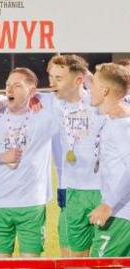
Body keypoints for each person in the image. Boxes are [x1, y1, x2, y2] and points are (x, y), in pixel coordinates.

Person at [0, 68, 56, 258]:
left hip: (32, 204)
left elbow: (62, 96)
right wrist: (1, 157)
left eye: (17, 86)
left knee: (31, 263)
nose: (9, 90)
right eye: (7, 85)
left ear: (32, 91)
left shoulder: (43, 118)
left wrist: (4, 100)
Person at [44, 55, 106, 257]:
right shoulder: (53, 104)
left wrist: (86, 75)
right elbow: (15, 96)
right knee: (74, 257)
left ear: (79, 80)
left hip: (103, 190)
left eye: (59, 78)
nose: (52, 84)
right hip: (73, 191)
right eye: (51, 77)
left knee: (104, 257)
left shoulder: (98, 101)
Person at [88, 63, 130, 257]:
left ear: (105, 90)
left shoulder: (121, 122)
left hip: (120, 215)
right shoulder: (113, 117)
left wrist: (108, 204)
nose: (90, 89)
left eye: (94, 84)